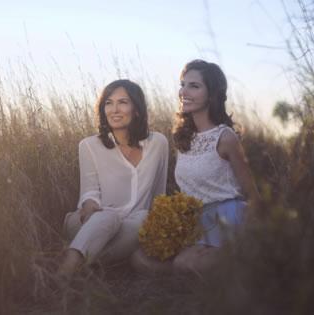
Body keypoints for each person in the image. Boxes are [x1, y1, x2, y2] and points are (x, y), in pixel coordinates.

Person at [132, 59, 260, 276]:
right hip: (193, 218)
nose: (184, 91)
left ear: (212, 94)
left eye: (194, 86)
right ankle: (192, 268)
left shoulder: (225, 137)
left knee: (185, 265)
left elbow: (253, 195)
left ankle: (243, 259)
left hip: (227, 215)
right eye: (183, 84)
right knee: (139, 258)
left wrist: (250, 232)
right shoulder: (184, 138)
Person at [57, 79, 169, 281]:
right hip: (92, 223)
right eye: (108, 103)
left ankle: (83, 267)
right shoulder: (89, 145)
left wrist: (160, 231)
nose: (114, 109)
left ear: (136, 109)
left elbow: (158, 193)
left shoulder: (158, 143)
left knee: (145, 218)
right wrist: (90, 207)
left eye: (123, 102)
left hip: (132, 227)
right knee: (109, 216)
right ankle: (68, 267)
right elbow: (89, 192)